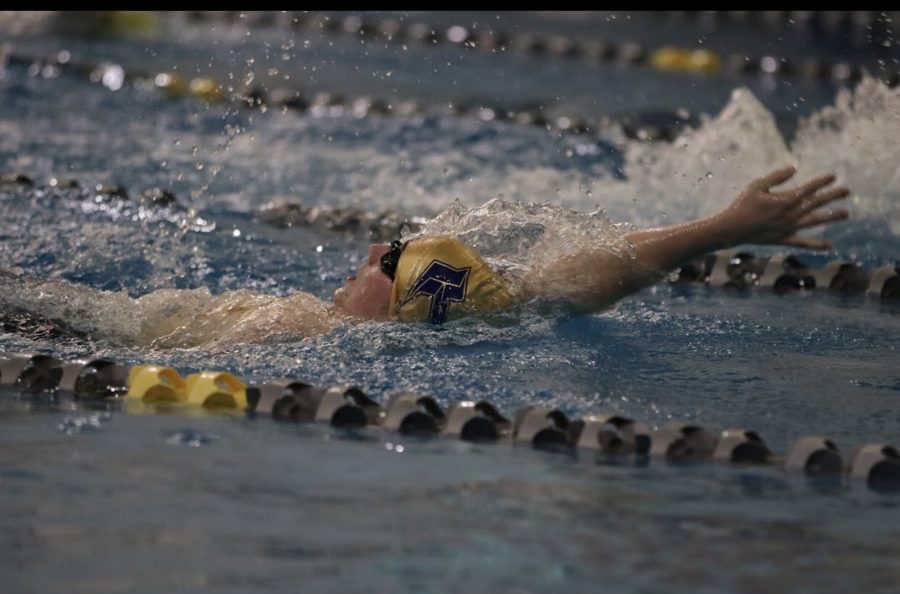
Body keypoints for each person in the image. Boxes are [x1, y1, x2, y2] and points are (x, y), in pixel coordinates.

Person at [1, 166, 849, 350]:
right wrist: (719, 226)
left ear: (399, 304)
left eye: (390, 260)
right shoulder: (492, 307)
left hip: (94, 334)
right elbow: (586, 272)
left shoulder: (298, 326)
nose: (373, 248)